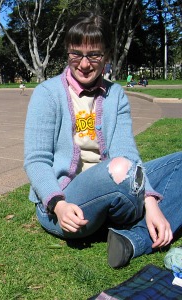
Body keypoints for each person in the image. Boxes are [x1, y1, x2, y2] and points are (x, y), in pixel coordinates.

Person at [24, 11, 182, 269]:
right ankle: (135, 223)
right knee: (119, 168)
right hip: (63, 203)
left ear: (107, 56)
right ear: (67, 52)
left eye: (94, 55)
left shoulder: (115, 95)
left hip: (114, 185)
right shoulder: (47, 94)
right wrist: (58, 204)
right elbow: (36, 161)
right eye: (77, 53)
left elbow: (127, 153)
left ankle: (132, 240)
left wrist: (150, 200)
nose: (84, 64)